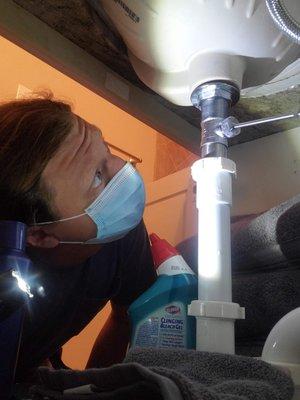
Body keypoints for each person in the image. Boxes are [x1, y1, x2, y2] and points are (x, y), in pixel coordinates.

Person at [0, 94, 157, 381]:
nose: (123, 171)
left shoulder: (121, 232)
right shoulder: (7, 275)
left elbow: (126, 318)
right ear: (41, 234)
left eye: (106, 151)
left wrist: (93, 386)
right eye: (97, 176)